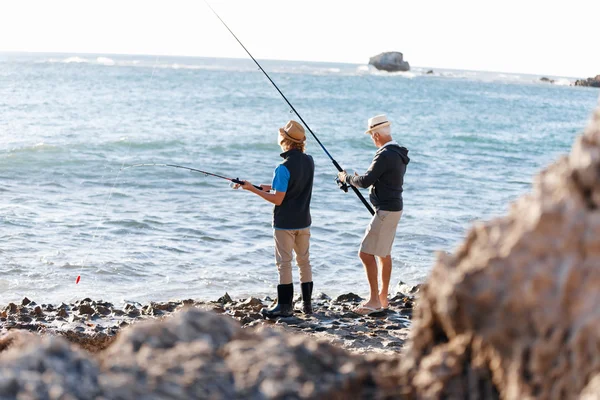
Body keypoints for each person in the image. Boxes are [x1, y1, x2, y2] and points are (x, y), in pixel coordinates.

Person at [235, 120, 315, 318]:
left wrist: (251, 189)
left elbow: (279, 198)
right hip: (303, 221)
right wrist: (261, 186)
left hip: (285, 223)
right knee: (304, 262)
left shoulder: (283, 167)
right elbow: (290, 188)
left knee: (284, 263)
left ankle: (285, 306)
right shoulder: (309, 161)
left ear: (284, 141)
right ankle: (307, 305)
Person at [337, 114, 409, 316]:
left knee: (366, 253)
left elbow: (366, 181)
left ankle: (374, 300)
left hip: (386, 211)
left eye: (371, 135)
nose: (371, 138)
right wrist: (359, 179)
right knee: (383, 254)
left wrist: (347, 177)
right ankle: (383, 297)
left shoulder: (384, 154)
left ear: (376, 134)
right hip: (393, 208)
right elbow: (381, 179)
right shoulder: (398, 153)